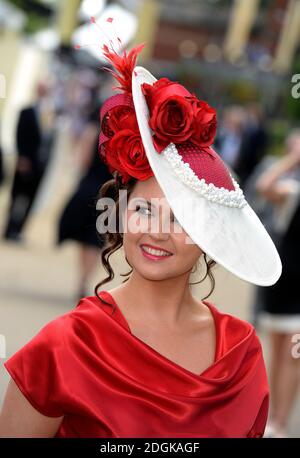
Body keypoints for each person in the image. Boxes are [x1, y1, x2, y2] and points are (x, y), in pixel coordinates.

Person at [0, 38, 282, 438]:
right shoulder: (65, 345)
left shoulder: (240, 352)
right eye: (144, 210)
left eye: (181, 219)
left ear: (208, 235)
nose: (155, 231)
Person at [255, 132, 300, 438]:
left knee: (295, 355)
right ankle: (271, 419)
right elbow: (263, 186)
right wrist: (294, 158)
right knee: (278, 351)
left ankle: (281, 422)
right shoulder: (294, 189)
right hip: (285, 279)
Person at [57, 102, 114, 300]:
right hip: (114, 193)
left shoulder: (94, 132)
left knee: (87, 238)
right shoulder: (129, 139)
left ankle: (82, 279)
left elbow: (83, 160)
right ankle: (86, 279)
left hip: (90, 187)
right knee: (99, 239)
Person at [2, 82, 55, 241]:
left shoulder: (50, 115)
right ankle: (9, 228)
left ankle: (19, 230)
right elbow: (20, 135)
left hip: (40, 165)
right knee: (17, 196)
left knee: (31, 198)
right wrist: (22, 157)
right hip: (25, 161)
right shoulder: (26, 111)